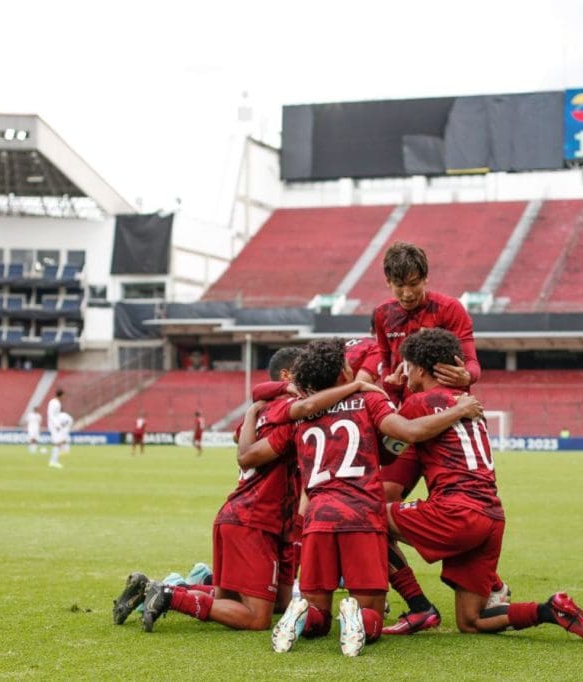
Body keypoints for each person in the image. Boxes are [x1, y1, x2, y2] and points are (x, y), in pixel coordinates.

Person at [238, 338, 483, 656]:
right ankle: (355, 616)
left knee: (318, 619)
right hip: (362, 516)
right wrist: (455, 408)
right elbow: (406, 433)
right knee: (372, 617)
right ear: (343, 371)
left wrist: (250, 415)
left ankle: (302, 613)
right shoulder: (367, 401)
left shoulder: (298, 416)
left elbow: (249, 457)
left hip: (318, 519)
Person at [127, 347, 368, 633]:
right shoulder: (292, 416)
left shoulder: (267, 408)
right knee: (256, 618)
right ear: (291, 377)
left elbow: (243, 426)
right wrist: (356, 387)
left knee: (275, 602)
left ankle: (168, 588)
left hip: (255, 518)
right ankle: (170, 595)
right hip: (254, 519)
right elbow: (249, 454)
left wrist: (256, 408)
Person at [385, 329, 583, 641]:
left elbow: (389, 438)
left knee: (364, 519)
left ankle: (419, 607)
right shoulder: (467, 402)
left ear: (419, 369)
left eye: (406, 365)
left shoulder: (420, 402)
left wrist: (389, 393)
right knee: (471, 621)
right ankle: (549, 610)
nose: (404, 372)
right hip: (491, 518)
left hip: (455, 512)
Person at [372, 241, 501, 627]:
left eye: (413, 283)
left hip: (442, 416)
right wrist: (392, 387)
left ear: (426, 278)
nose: (407, 293)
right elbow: (385, 368)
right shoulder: (382, 316)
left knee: (375, 513)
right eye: (399, 286)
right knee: (381, 497)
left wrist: (468, 377)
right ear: (388, 283)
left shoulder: (449, 309)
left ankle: (478, 582)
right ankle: (419, 602)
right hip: (410, 415)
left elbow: (473, 364)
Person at [47, 389, 65, 469]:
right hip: (54, 425)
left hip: (55, 425)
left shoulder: (55, 402)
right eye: (64, 395)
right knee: (57, 442)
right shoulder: (55, 403)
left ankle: (54, 461)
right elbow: (51, 414)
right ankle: (53, 462)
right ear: (61, 395)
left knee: (59, 442)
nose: (65, 397)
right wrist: (56, 424)